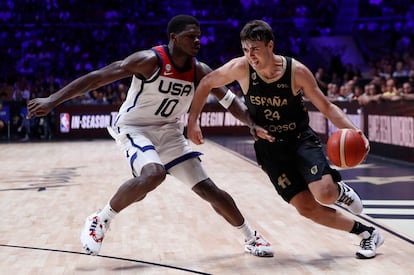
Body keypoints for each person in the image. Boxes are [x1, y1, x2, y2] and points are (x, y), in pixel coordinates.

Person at [27, 15, 273, 257]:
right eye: (191, 37)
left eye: (199, 37)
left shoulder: (199, 71)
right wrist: (53, 100)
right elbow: (97, 78)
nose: (197, 41)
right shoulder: (149, 61)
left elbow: (229, 101)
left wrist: (251, 124)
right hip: (135, 127)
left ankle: (251, 237)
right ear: (174, 38)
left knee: (209, 190)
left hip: (169, 131)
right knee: (154, 174)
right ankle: (100, 220)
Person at [187, 19, 384, 259]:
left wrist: (355, 131)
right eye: (246, 50)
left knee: (325, 194)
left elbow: (327, 107)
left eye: (256, 49)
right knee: (307, 208)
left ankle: (338, 190)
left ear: (270, 45)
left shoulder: (296, 71)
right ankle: (367, 234)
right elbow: (206, 82)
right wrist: (193, 120)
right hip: (269, 149)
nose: (251, 56)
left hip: (299, 139)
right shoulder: (241, 68)